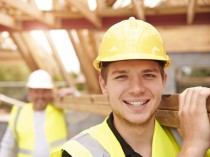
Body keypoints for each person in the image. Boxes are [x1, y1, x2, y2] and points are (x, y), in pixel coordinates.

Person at [50, 17, 210, 157]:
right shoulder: (79, 153)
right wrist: (193, 148)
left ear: (163, 81)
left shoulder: (191, 137)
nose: (136, 89)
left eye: (148, 75)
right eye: (122, 77)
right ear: (104, 85)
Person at [0, 69, 104, 157]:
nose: (40, 96)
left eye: (44, 91)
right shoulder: (19, 112)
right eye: (36, 91)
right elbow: (7, 145)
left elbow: (82, 113)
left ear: (51, 92)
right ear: (29, 92)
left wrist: (74, 94)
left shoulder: (59, 109)